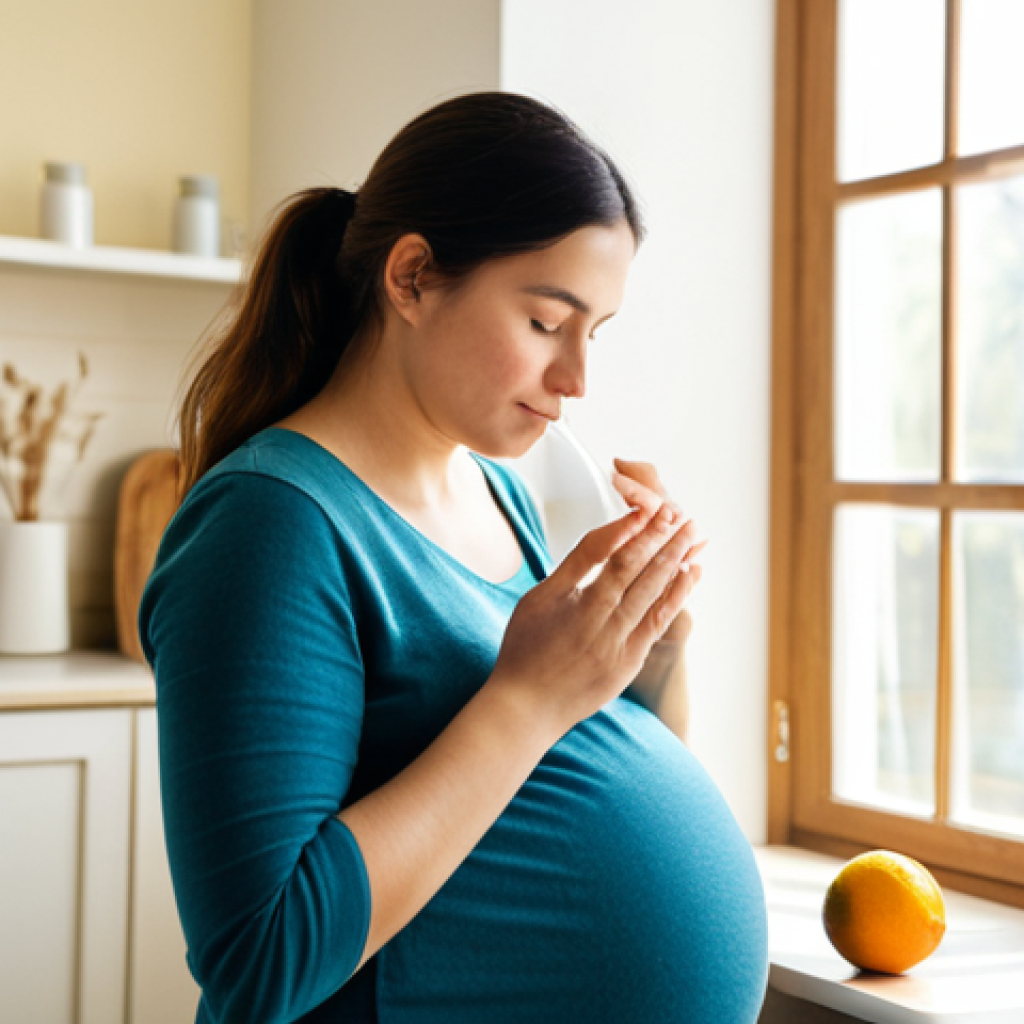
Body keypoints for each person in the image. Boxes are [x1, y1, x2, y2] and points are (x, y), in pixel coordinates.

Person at [139, 90, 768, 1024]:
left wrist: (651, 650)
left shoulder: (502, 495)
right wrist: (529, 697)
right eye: (546, 323)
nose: (577, 380)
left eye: (593, 334)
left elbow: (560, 789)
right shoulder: (270, 523)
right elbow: (258, 962)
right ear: (413, 278)